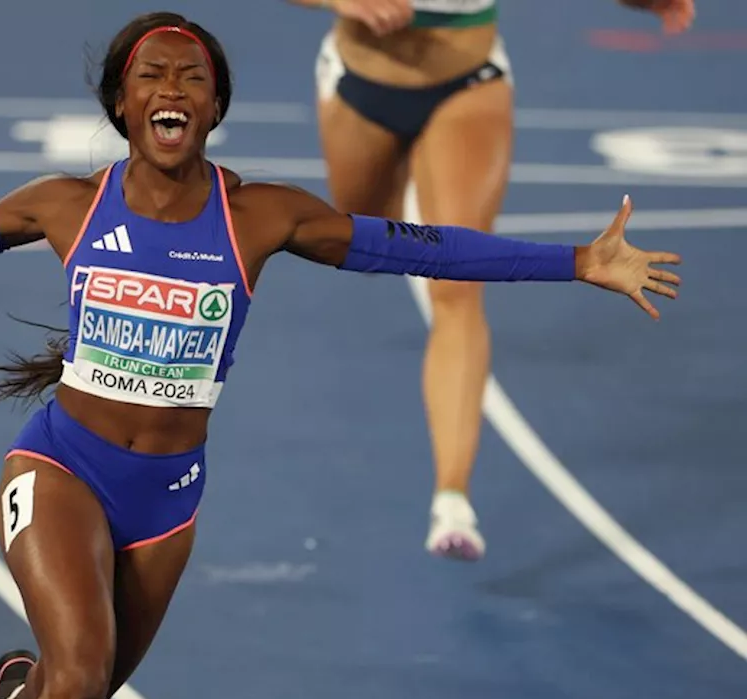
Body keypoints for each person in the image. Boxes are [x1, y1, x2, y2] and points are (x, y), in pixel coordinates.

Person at [0, 12, 681, 699]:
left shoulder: (262, 216)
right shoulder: (66, 204)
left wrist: (574, 260)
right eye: (152, 75)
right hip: (59, 469)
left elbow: (424, 247)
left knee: (72, 696)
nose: (172, 86)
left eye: (191, 76)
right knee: (83, 678)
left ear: (213, 106)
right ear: (123, 107)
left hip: (167, 499)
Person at [288, 0, 695, 561]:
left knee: (456, 287)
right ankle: (413, 174)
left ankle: (452, 497)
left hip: (469, 84)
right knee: (360, 232)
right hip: (360, 81)